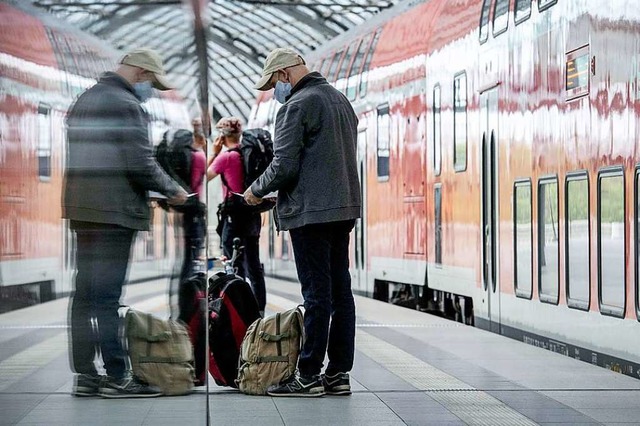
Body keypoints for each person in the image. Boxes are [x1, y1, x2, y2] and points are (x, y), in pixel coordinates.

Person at [63, 48, 188, 398]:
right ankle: (118, 376)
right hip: (115, 217)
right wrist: (173, 190)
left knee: (84, 294)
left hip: (84, 211)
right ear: (140, 71)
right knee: (107, 297)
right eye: (149, 79)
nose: (148, 85)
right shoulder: (127, 104)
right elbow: (138, 161)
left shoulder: (84, 100)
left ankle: (86, 375)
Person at [243, 47, 361, 397]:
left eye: (275, 81)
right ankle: (338, 373)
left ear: (283, 75)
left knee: (316, 295)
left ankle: (308, 374)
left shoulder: (295, 106)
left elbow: (284, 165)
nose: (277, 89)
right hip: (341, 212)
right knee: (341, 292)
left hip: (309, 215)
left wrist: (254, 190)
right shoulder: (341, 100)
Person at [207, 117, 267, 315]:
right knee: (254, 266)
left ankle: (239, 311)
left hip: (233, 217)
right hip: (251, 215)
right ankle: (258, 311)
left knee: (233, 265)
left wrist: (214, 153)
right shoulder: (251, 153)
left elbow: (202, 178)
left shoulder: (227, 157)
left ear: (222, 137)